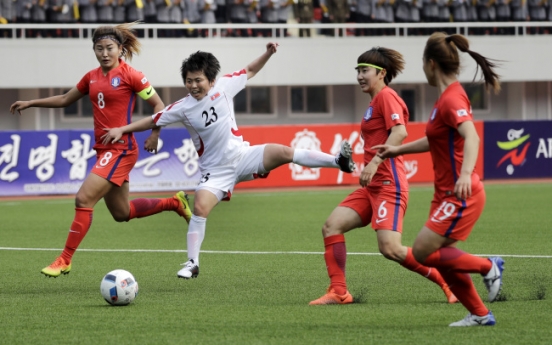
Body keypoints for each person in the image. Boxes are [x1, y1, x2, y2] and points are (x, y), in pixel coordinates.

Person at [101, 42, 356, 279]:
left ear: (211, 80)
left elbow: (251, 70)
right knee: (200, 207)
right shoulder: (182, 107)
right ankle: (192, 263)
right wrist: (123, 130)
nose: (193, 85)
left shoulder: (225, 86)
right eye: (188, 81)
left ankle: (338, 161)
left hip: (243, 156)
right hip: (215, 171)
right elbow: (153, 120)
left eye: (198, 80)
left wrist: (268, 53)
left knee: (284, 152)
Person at [9, 22, 192, 278]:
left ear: (120, 49)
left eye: (109, 48)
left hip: (121, 149)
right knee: (121, 213)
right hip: (103, 150)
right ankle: (174, 202)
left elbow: (159, 104)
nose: (104, 53)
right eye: (99, 48)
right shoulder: (91, 77)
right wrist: (31, 102)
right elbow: (64, 99)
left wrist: (154, 133)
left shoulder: (132, 75)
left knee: (83, 199)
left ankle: (64, 259)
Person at [373, 32, 504, 327]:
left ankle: (488, 266)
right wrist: (396, 150)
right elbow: (434, 141)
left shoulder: (452, 98)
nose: (421, 68)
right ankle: (480, 315)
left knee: (422, 251)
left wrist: (466, 175)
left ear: (431, 64)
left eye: (422, 63)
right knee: (440, 256)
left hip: (461, 194)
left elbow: (472, 135)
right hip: (445, 194)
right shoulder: (445, 99)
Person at [309, 47, 458, 306]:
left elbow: (400, 132)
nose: (359, 76)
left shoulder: (387, 97)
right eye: (357, 70)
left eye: (364, 70)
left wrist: (376, 162)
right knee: (331, 226)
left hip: (389, 183)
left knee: (390, 249)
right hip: (372, 187)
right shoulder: (374, 102)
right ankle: (339, 292)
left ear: (381, 73)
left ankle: (448, 282)